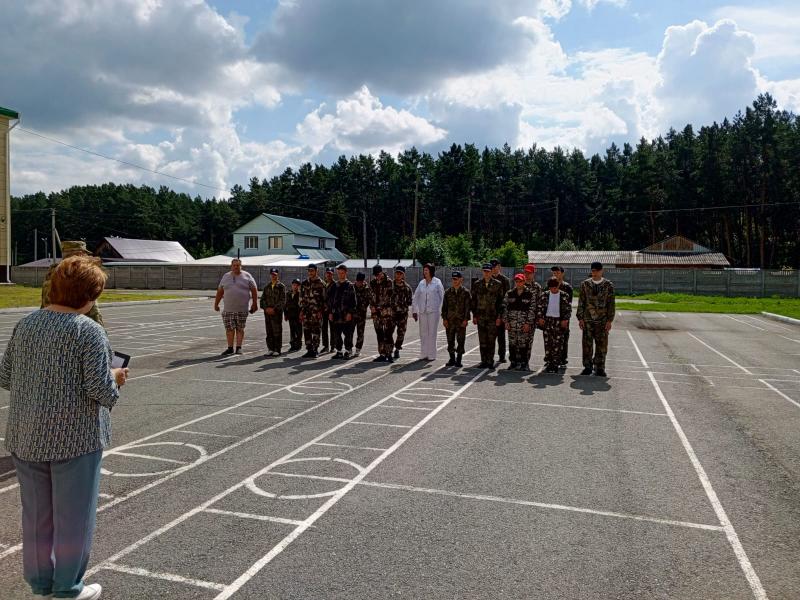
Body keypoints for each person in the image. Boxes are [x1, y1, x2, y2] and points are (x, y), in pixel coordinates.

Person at [1, 256, 128, 600]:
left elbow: (6, 376)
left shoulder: (25, 324)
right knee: (73, 519)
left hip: (26, 435)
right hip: (75, 439)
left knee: (37, 516)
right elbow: (101, 391)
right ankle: (68, 588)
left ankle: (41, 583)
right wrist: (116, 377)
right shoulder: (88, 330)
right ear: (89, 296)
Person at [41, 240, 105, 327]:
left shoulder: (53, 273)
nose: (86, 256)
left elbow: (43, 305)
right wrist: (100, 331)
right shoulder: (82, 276)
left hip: (50, 324)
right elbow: (93, 312)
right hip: (77, 326)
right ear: (79, 253)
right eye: (84, 253)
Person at [576, 262, 615, 377]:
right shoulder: (585, 284)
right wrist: (580, 318)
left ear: (602, 271)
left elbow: (611, 304)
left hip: (602, 321)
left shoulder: (608, 285)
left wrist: (609, 320)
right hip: (588, 320)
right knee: (587, 345)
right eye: (593, 270)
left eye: (597, 270)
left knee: (602, 345)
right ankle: (587, 367)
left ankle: (600, 368)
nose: (595, 273)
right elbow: (581, 301)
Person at [214, 258, 258, 355]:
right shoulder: (226, 276)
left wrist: (254, 303)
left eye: (238, 265)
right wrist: (216, 304)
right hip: (228, 309)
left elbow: (254, 289)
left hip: (242, 309)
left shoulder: (247, 276)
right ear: (231, 266)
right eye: (234, 265)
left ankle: (239, 347)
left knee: (240, 328)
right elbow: (220, 291)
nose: (236, 267)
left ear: (241, 266)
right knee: (229, 329)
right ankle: (230, 348)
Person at [471, 263, 505, 369]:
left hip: (492, 317)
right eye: (484, 271)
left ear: (491, 272)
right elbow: (474, 301)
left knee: (491, 340)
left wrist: (499, 317)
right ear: (482, 272)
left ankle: (490, 361)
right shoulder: (477, 284)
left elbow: (501, 302)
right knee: (482, 340)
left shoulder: (498, 284)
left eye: (488, 271)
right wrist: (475, 315)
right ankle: (483, 361)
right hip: (480, 317)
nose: (486, 273)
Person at [537, 277, 572, 373]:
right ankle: (549, 362)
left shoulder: (564, 295)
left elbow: (568, 309)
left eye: (555, 287)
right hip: (547, 321)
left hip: (558, 321)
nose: (553, 289)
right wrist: (540, 318)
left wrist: (565, 320)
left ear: (558, 286)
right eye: (551, 288)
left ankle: (556, 363)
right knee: (548, 343)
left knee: (558, 343)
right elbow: (539, 307)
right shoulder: (544, 295)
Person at [504, 273, 538, 371]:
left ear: (524, 282)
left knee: (524, 344)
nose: (518, 283)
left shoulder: (530, 294)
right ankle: (513, 362)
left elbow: (532, 309)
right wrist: (506, 322)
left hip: (524, 324)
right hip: (512, 324)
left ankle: (524, 363)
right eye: (517, 281)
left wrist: (528, 323)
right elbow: (505, 308)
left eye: (520, 281)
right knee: (512, 344)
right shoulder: (509, 293)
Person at [412, 263, 445, 361]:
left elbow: (442, 297)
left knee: (432, 333)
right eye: (424, 270)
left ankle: (431, 354)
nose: (425, 272)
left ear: (431, 271)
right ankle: (424, 353)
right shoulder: (421, 283)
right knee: (423, 333)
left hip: (433, 312)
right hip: (423, 311)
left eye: (426, 270)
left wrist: (442, 310)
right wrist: (414, 311)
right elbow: (416, 297)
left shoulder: (437, 282)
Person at [327, 264, 358, 359]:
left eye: (342, 273)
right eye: (339, 273)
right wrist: (330, 313)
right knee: (337, 334)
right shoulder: (334, 286)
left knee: (348, 334)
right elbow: (330, 301)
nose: (341, 275)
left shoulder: (350, 286)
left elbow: (353, 302)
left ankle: (348, 351)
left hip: (346, 315)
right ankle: (339, 351)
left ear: (346, 273)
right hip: (336, 315)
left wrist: (350, 313)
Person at [441, 271, 471, 367]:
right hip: (450, 320)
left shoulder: (465, 292)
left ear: (461, 279)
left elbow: (467, 307)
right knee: (450, 340)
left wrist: (466, 319)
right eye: (453, 279)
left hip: (461, 321)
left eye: (456, 279)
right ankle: (452, 359)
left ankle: (459, 359)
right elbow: (444, 307)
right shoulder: (448, 292)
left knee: (461, 340)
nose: (454, 281)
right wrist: (444, 319)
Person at [299, 264, 327, 358]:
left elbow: (325, 300)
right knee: (306, 331)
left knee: (316, 331)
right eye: (309, 271)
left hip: (316, 312)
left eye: (312, 270)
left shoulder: (321, 283)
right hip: (306, 312)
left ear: (316, 271)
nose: (310, 272)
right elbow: (301, 298)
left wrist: (321, 311)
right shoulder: (304, 283)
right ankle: (309, 349)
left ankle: (315, 350)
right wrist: (302, 311)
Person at [369, 265, 394, 362]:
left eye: (378, 274)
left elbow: (392, 298)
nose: (377, 277)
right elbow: (370, 296)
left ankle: (389, 353)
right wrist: (372, 306)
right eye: (376, 275)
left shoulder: (389, 282)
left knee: (388, 333)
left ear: (382, 272)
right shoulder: (373, 282)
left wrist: (385, 307)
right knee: (379, 333)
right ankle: (382, 354)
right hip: (376, 313)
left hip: (386, 312)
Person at [260, 268, 287, 357]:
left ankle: (277, 349)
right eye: (272, 274)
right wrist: (266, 308)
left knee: (277, 331)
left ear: (277, 275)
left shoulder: (281, 286)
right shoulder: (267, 287)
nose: (273, 276)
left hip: (276, 313)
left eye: (275, 274)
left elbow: (282, 300)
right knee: (269, 331)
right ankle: (270, 349)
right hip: (267, 313)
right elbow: (262, 300)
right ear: (270, 275)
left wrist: (274, 309)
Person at [551, 265, 573, 367]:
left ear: (562, 274)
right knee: (551, 339)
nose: (555, 275)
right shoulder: (549, 285)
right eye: (554, 273)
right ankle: (551, 359)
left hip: (563, 317)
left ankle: (563, 360)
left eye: (557, 273)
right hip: (551, 317)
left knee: (563, 338)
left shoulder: (567, 287)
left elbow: (569, 305)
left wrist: (566, 319)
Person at [491, 258, 511, 363]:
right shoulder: (487, 279)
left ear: (500, 267)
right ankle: (488, 357)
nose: (494, 269)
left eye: (496, 267)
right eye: (492, 267)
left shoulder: (505, 280)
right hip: (489, 313)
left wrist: (502, 314)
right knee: (490, 337)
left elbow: (506, 298)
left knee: (501, 336)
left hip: (501, 311)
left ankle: (502, 356)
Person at [391, 266, 413, 359]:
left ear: (403, 275)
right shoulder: (390, 285)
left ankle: (397, 349)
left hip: (402, 315)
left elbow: (409, 301)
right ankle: (389, 349)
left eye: (400, 274)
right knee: (388, 332)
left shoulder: (407, 288)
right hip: (391, 314)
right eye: (397, 273)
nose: (398, 275)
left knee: (401, 333)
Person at [353, 272, 373, 357]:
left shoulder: (367, 289)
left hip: (361, 314)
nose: (359, 283)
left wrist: (366, 307)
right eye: (358, 281)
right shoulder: (352, 287)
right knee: (349, 332)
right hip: (352, 314)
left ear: (363, 281)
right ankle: (349, 348)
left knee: (360, 332)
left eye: (360, 281)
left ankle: (358, 349)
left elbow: (370, 300)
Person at [284, 278, 303, 352]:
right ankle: (292, 344)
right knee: (292, 330)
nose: (295, 286)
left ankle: (298, 344)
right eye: (294, 285)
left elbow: (302, 305)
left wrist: (301, 314)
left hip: (298, 315)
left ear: (299, 286)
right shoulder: (288, 294)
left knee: (298, 330)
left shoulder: (300, 294)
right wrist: (285, 314)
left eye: (296, 285)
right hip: (290, 315)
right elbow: (285, 305)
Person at [320, 267, 336, 354]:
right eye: (327, 273)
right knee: (324, 328)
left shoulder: (335, 285)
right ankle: (325, 346)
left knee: (332, 329)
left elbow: (334, 299)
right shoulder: (323, 283)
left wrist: (330, 310)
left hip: (331, 310)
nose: (328, 275)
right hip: (323, 310)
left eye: (330, 273)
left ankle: (333, 346)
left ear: (332, 274)